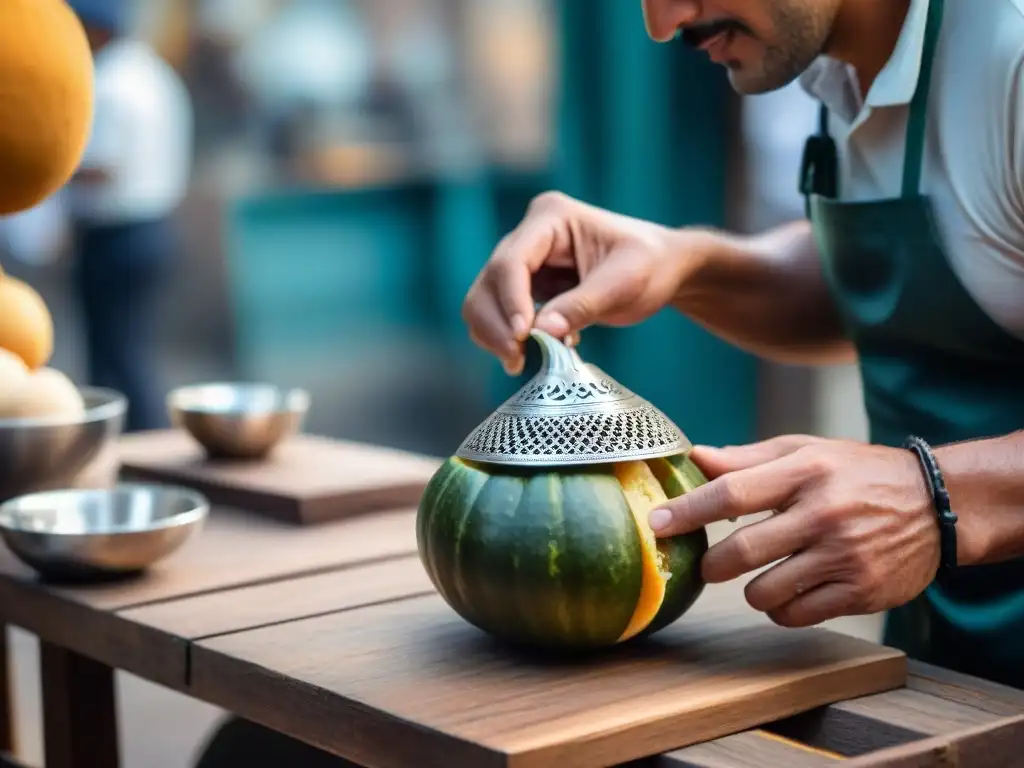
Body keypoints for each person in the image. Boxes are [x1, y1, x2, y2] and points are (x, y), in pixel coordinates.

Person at [464, 0, 1024, 690]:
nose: (665, 23)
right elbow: (952, 283)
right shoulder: (842, 64)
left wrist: (933, 494)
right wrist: (685, 265)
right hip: (953, 669)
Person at [64, 0, 194, 432]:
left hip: (118, 236)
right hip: (152, 228)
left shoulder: (111, 83)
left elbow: (101, 167)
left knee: (117, 356)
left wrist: (41, 165)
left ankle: (143, 449)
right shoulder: (150, 71)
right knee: (126, 351)